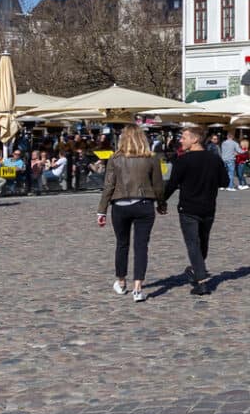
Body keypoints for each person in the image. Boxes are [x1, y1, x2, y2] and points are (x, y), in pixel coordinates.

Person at [97, 125, 166, 303]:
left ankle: (121, 282)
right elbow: (158, 185)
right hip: (144, 203)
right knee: (141, 246)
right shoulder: (151, 158)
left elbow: (109, 185)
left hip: (120, 204)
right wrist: (161, 203)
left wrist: (101, 209)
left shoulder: (115, 158)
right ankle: (137, 288)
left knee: (122, 244)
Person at [164, 125, 231, 296]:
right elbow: (224, 181)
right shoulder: (214, 159)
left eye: (184, 137)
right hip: (208, 207)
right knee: (202, 242)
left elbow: (172, 185)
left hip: (189, 208)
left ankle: (201, 281)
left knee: (193, 243)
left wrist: (160, 201)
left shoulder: (183, 160)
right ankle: (196, 271)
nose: (181, 140)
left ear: (195, 139)